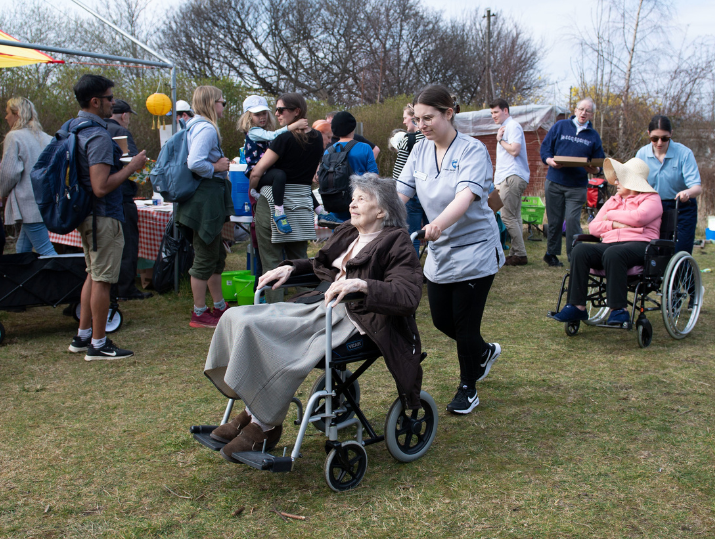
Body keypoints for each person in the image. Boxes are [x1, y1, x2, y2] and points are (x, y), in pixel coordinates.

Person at [204, 174, 423, 459]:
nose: (353, 203)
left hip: (356, 318)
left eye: (362, 199)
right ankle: (251, 405)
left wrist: (363, 285)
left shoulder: (397, 242)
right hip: (321, 304)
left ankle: (265, 425)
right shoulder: (348, 231)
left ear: (381, 211)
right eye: (353, 197)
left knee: (269, 336)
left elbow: (407, 294)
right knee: (237, 317)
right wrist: (291, 269)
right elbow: (319, 265)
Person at [396, 84, 503, 415]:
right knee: (443, 320)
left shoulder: (473, 151)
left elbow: (464, 197)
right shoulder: (419, 151)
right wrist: (379, 217)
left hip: (475, 249)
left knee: (465, 325)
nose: (422, 124)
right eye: (417, 119)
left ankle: (468, 388)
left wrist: (437, 225)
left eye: (429, 118)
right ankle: (482, 353)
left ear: (448, 113)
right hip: (441, 252)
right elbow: (401, 193)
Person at [66, 74, 147, 360]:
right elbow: (101, 186)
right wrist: (133, 166)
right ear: (95, 101)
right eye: (110, 99)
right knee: (102, 280)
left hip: (86, 214)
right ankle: (98, 344)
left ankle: (83, 335)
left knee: (93, 274)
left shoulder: (73, 128)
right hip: (103, 217)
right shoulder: (99, 135)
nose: (113, 104)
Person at [551, 157, 663, 326]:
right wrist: (615, 224)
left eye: (621, 178)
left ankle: (619, 310)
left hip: (641, 245)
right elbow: (594, 227)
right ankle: (577, 307)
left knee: (614, 253)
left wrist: (609, 215)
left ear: (633, 181)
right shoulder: (614, 200)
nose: (616, 181)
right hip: (610, 244)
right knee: (580, 251)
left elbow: (639, 218)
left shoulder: (652, 199)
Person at [248, 93, 324, 303]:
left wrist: (253, 187)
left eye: (281, 110)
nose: (277, 114)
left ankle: (275, 314)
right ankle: (305, 310)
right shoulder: (318, 138)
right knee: (299, 260)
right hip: (302, 201)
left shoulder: (283, 139)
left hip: (274, 202)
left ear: (296, 111)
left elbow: (257, 171)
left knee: (272, 263)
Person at [178, 85, 234, 328]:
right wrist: (217, 168)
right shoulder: (206, 128)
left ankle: (219, 306)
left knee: (215, 254)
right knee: (204, 256)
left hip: (205, 199)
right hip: (204, 201)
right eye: (222, 102)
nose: (224, 106)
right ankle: (199, 313)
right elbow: (195, 162)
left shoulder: (194, 125)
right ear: (212, 103)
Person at [540, 97, 605, 266]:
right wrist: (550, 161)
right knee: (554, 221)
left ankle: (575, 256)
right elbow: (545, 149)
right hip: (555, 182)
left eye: (588, 111)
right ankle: (551, 254)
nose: (584, 113)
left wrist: (595, 169)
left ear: (591, 114)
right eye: (581, 109)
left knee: (573, 221)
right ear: (575, 110)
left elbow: (600, 162)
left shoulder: (593, 136)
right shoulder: (560, 127)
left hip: (577, 186)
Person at [238, 94, 312, 232]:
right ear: (248, 117)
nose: (262, 117)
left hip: (269, 171)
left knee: (292, 175)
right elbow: (273, 136)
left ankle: (319, 210)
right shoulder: (254, 132)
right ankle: (279, 213)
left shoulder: (264, 131)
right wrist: (293, 125)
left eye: (264, 113)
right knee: (280, 175)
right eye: (257, 114)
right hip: (259, 173)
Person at [104, 99, 152, 301]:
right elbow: (133, 163)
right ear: (124, 115)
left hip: (102, 198)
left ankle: (111, 287)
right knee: (127, 244)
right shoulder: (120, 132)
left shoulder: (96, 129)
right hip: (121, 196)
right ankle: (125, 288)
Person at [635, 115, 702, 254]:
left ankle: (682, 274)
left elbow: (697, 187)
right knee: (656, 249)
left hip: (681, 206)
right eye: (654, 138)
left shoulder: (684, 153)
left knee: (680, 249)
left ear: (671, 134)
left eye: (664, 138)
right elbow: (635, 182)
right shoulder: (642, 154)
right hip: (654, 206)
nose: (659, 142)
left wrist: (687, 193)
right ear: (648, 134)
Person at [0, 97, 56, 256]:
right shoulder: (47, 138)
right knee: (22, 249)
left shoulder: (14, 136)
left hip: (28, 204)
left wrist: (1, 192)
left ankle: (64, 280)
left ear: (17, 114)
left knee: (46, 251)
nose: (6, 117)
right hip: (44, 202)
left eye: (7, 113)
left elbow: (9, 173)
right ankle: (20, 280)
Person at [318, 111, 378, 226]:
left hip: (335, 202)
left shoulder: (328, 151)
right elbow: (374, 177)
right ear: (353, 127)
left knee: (338, 236)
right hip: (359, 203)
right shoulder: (364, 148)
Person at [490, 98, 530, 266]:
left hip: (512, 176)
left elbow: (514, 150)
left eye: (496, 112)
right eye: (491, 113)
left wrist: (500, 140)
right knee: (515, 216)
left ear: (505, 110)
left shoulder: (512, 126)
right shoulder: (507, 126)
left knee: (507, 215)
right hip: (511, 176)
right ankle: (515, 252)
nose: (493, 116)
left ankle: (520, 254)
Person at [393, 104, 427, 255]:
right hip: (431, 192)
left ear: (414, 119)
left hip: (412, 195)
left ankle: (413, 268)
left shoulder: (408, 139)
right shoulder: (434, 140)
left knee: (412, 233)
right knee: (435, 233)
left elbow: (399, 172)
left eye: (405, 118)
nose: (404, 122)